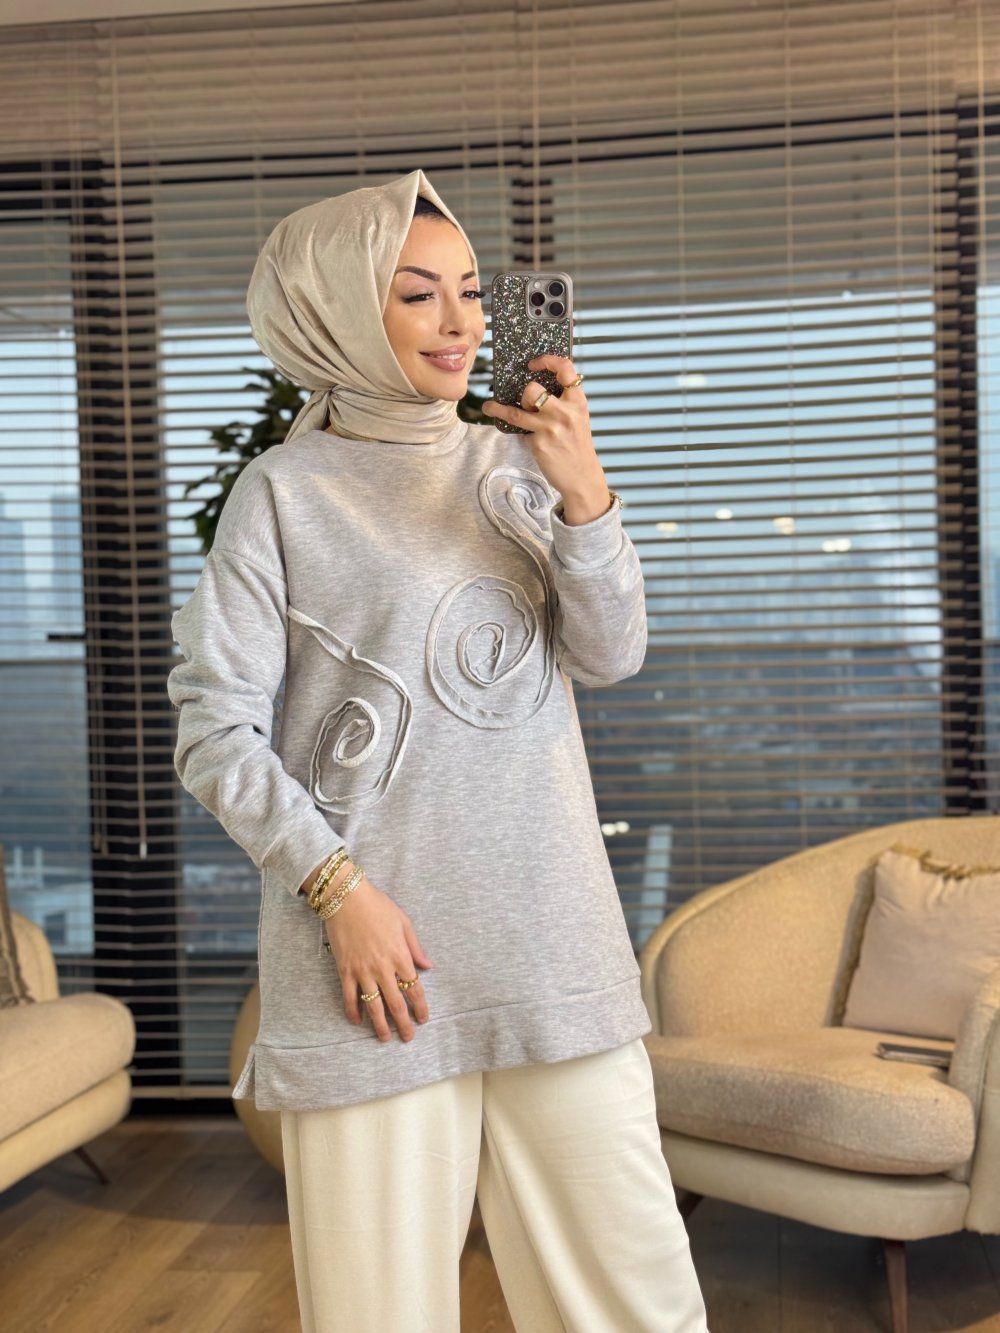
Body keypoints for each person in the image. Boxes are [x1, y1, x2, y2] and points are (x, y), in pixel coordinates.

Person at [167, 168, 710, 1333]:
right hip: (377, 968)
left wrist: (584, 493)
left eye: (470, 289)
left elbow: (609, 655)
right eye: (418, 294)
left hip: (550, 940)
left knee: (638, 1302)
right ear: (336, 311)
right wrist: (338, 889)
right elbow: (214, 728)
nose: (460, 322)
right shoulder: (282, 494)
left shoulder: (516, 466)